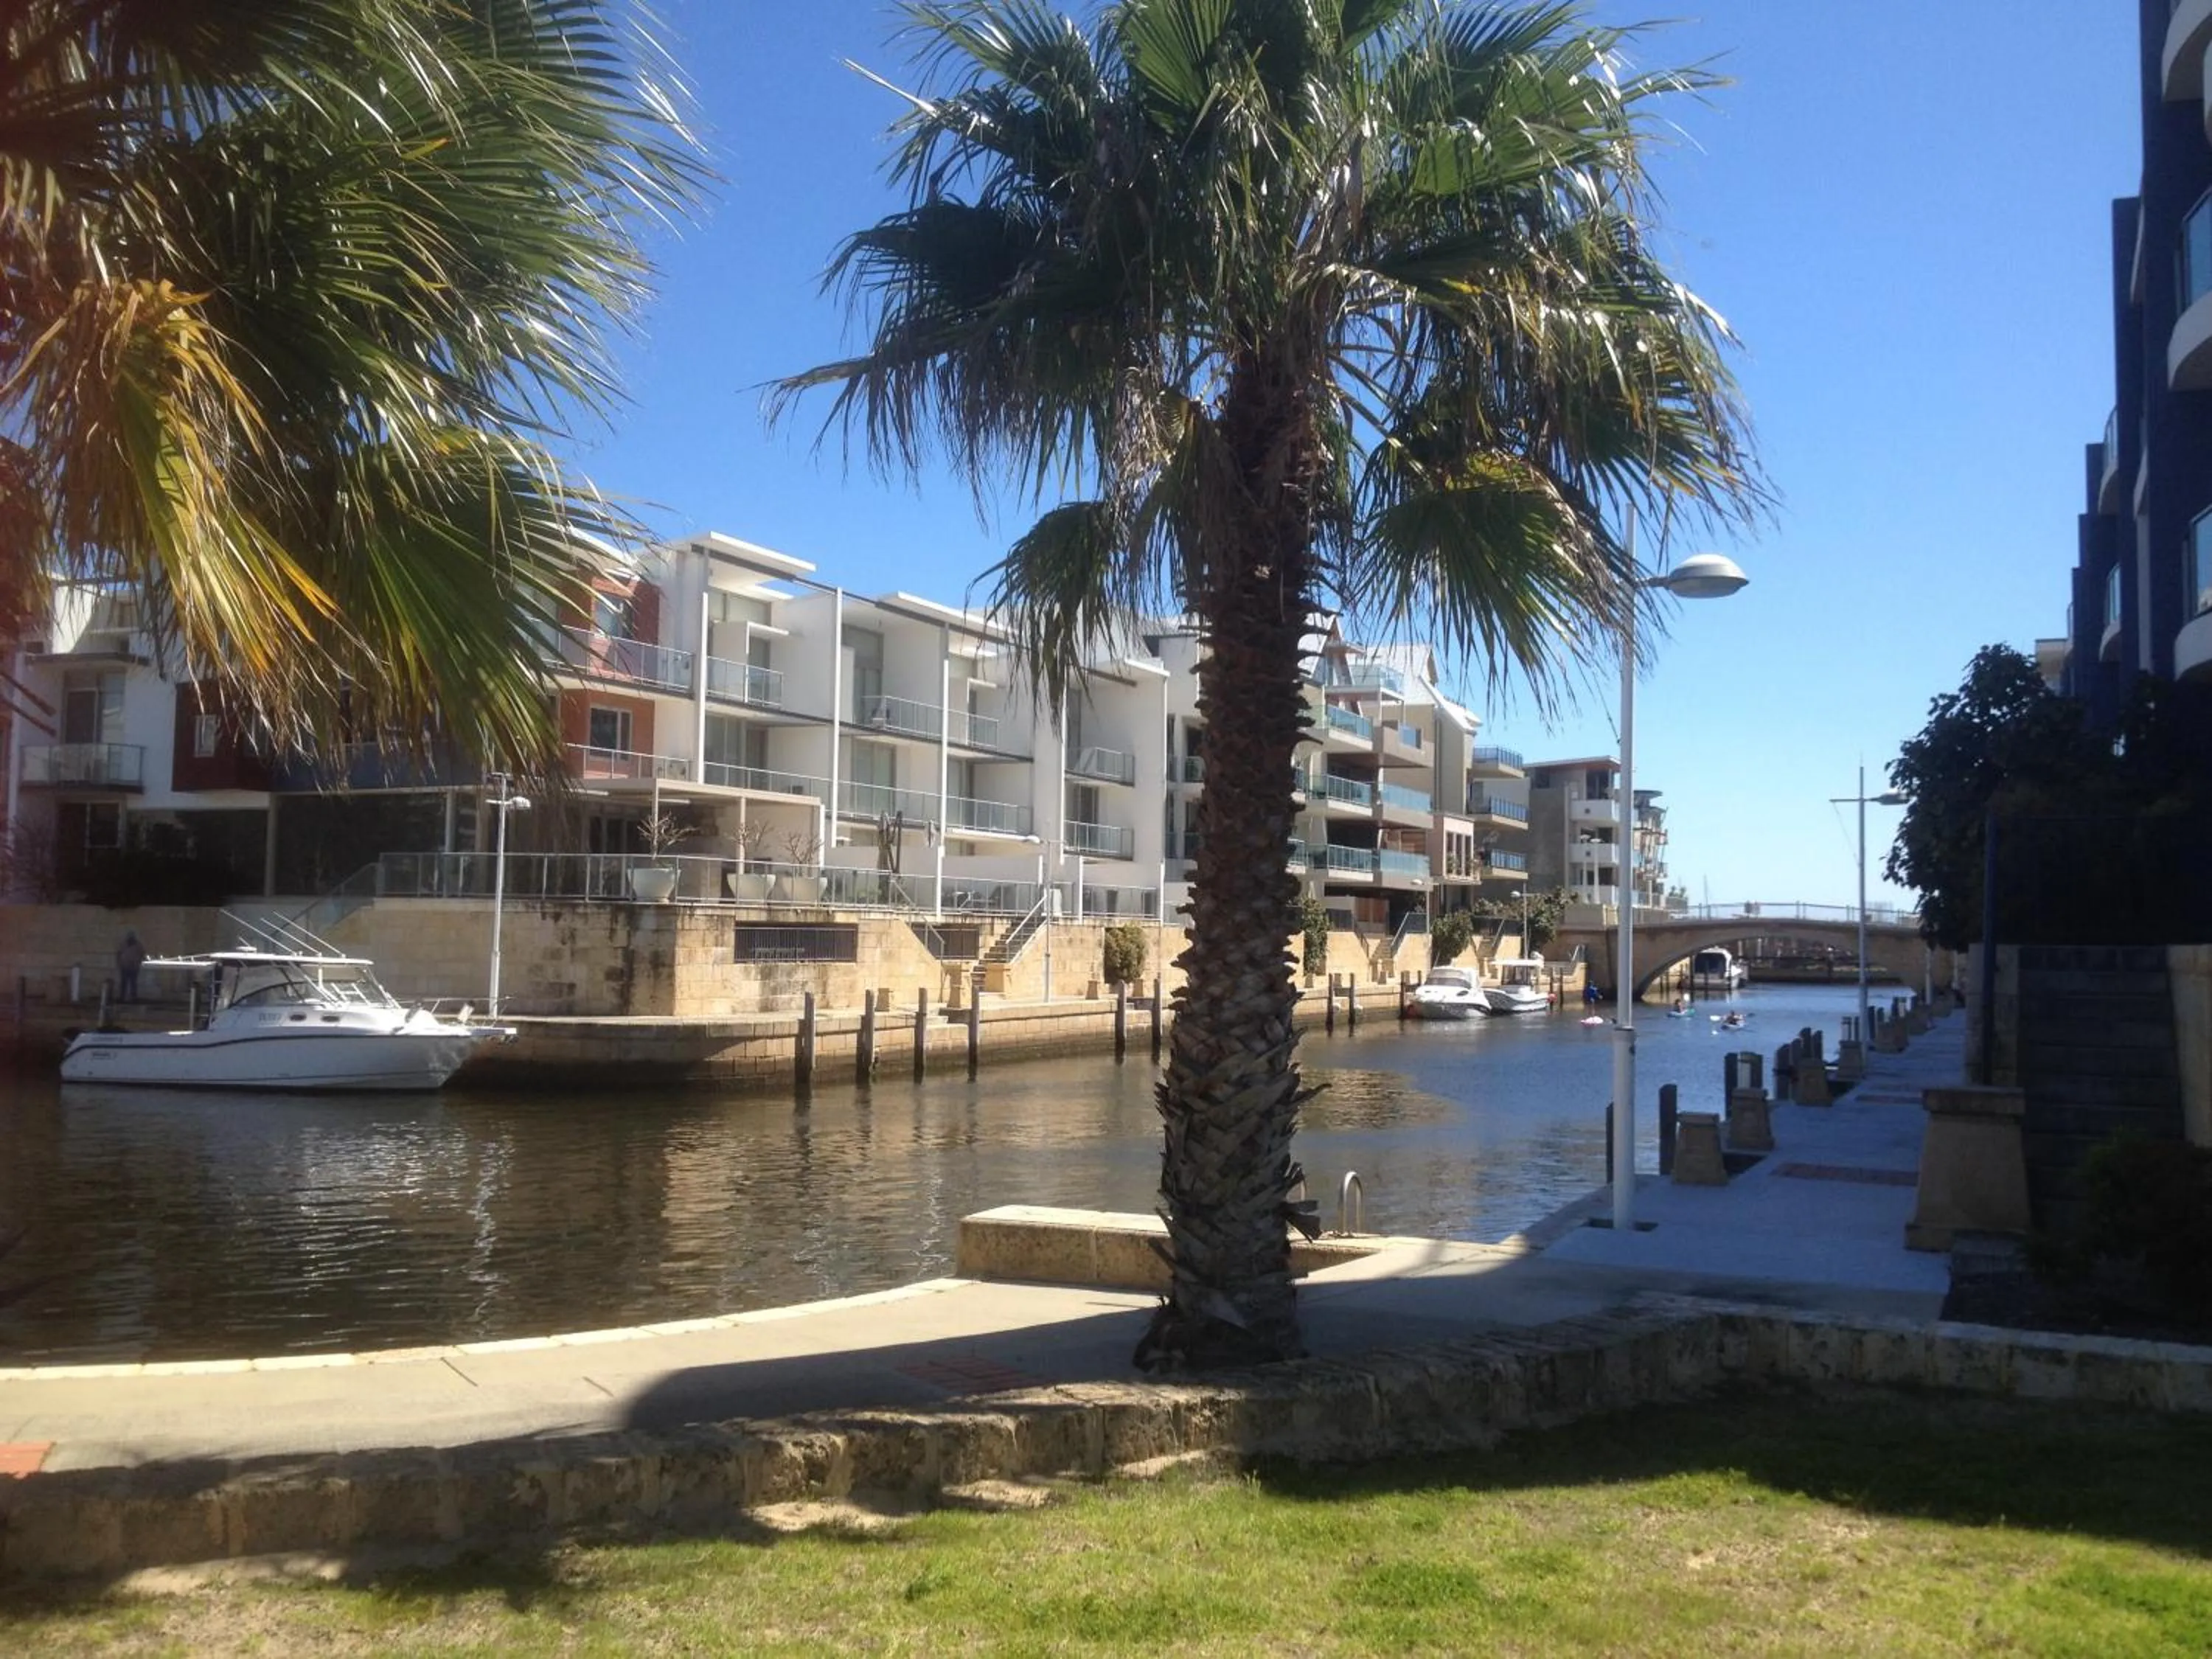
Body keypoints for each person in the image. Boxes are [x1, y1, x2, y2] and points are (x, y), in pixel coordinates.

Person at [115, 931, 146, 1002]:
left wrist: (138, 962)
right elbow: (119, 954)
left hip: (134, 966)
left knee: (133, 982)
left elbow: (142, 954)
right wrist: (119, 963)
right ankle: (122, 997)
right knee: (124, 982)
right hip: (125, 966)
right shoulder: (123, 944)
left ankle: (133, 997)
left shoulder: (138, 945)